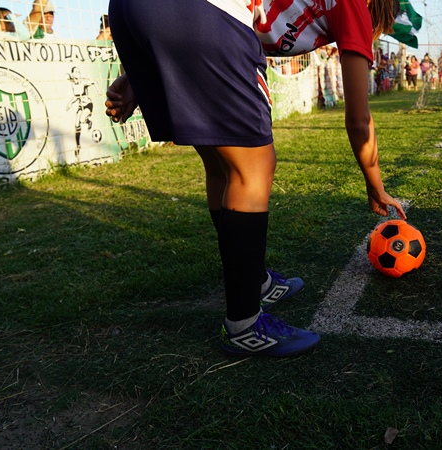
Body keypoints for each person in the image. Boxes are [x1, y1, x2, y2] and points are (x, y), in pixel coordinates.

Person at [106, 0, 406, 357]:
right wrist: (376, 186)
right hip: (200, 13)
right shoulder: (357, 3)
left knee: (220, 163)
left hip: (134, 11)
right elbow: (359, 120)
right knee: (253, 167)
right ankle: (244, 325)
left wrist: (147, 62)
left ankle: (256, 283)